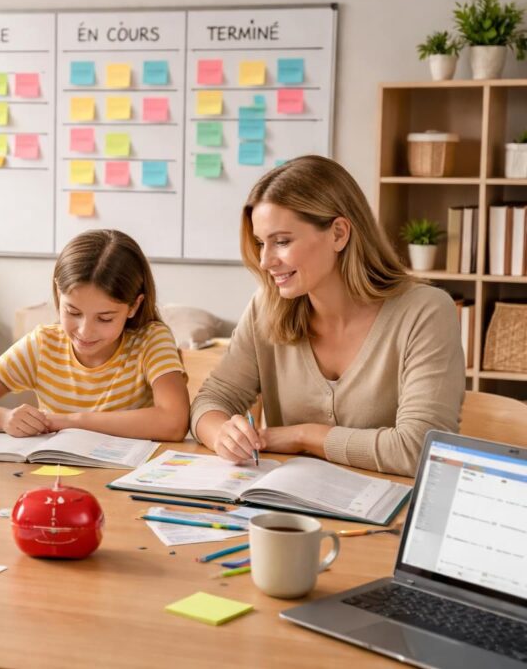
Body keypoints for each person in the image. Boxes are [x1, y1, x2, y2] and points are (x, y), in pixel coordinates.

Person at [190, 155, 465, 477]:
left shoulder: (425, 312)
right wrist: (223, 434)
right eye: (260, 243)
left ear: (338, 233)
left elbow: (421, 448)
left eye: (281, 242)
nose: (265, 261)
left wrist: (304, 436)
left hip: (387, 518)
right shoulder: (266, 307)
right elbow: (211, 401)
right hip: (288, 513)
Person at [0, 229, 190, 442]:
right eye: (72, 311)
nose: (84, 331)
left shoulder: (151, 340)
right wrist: (3, 417)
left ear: (134, 306)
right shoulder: (44, 344)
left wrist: (73, 421)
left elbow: (175, 422)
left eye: (105, 318)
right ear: (59, 295)